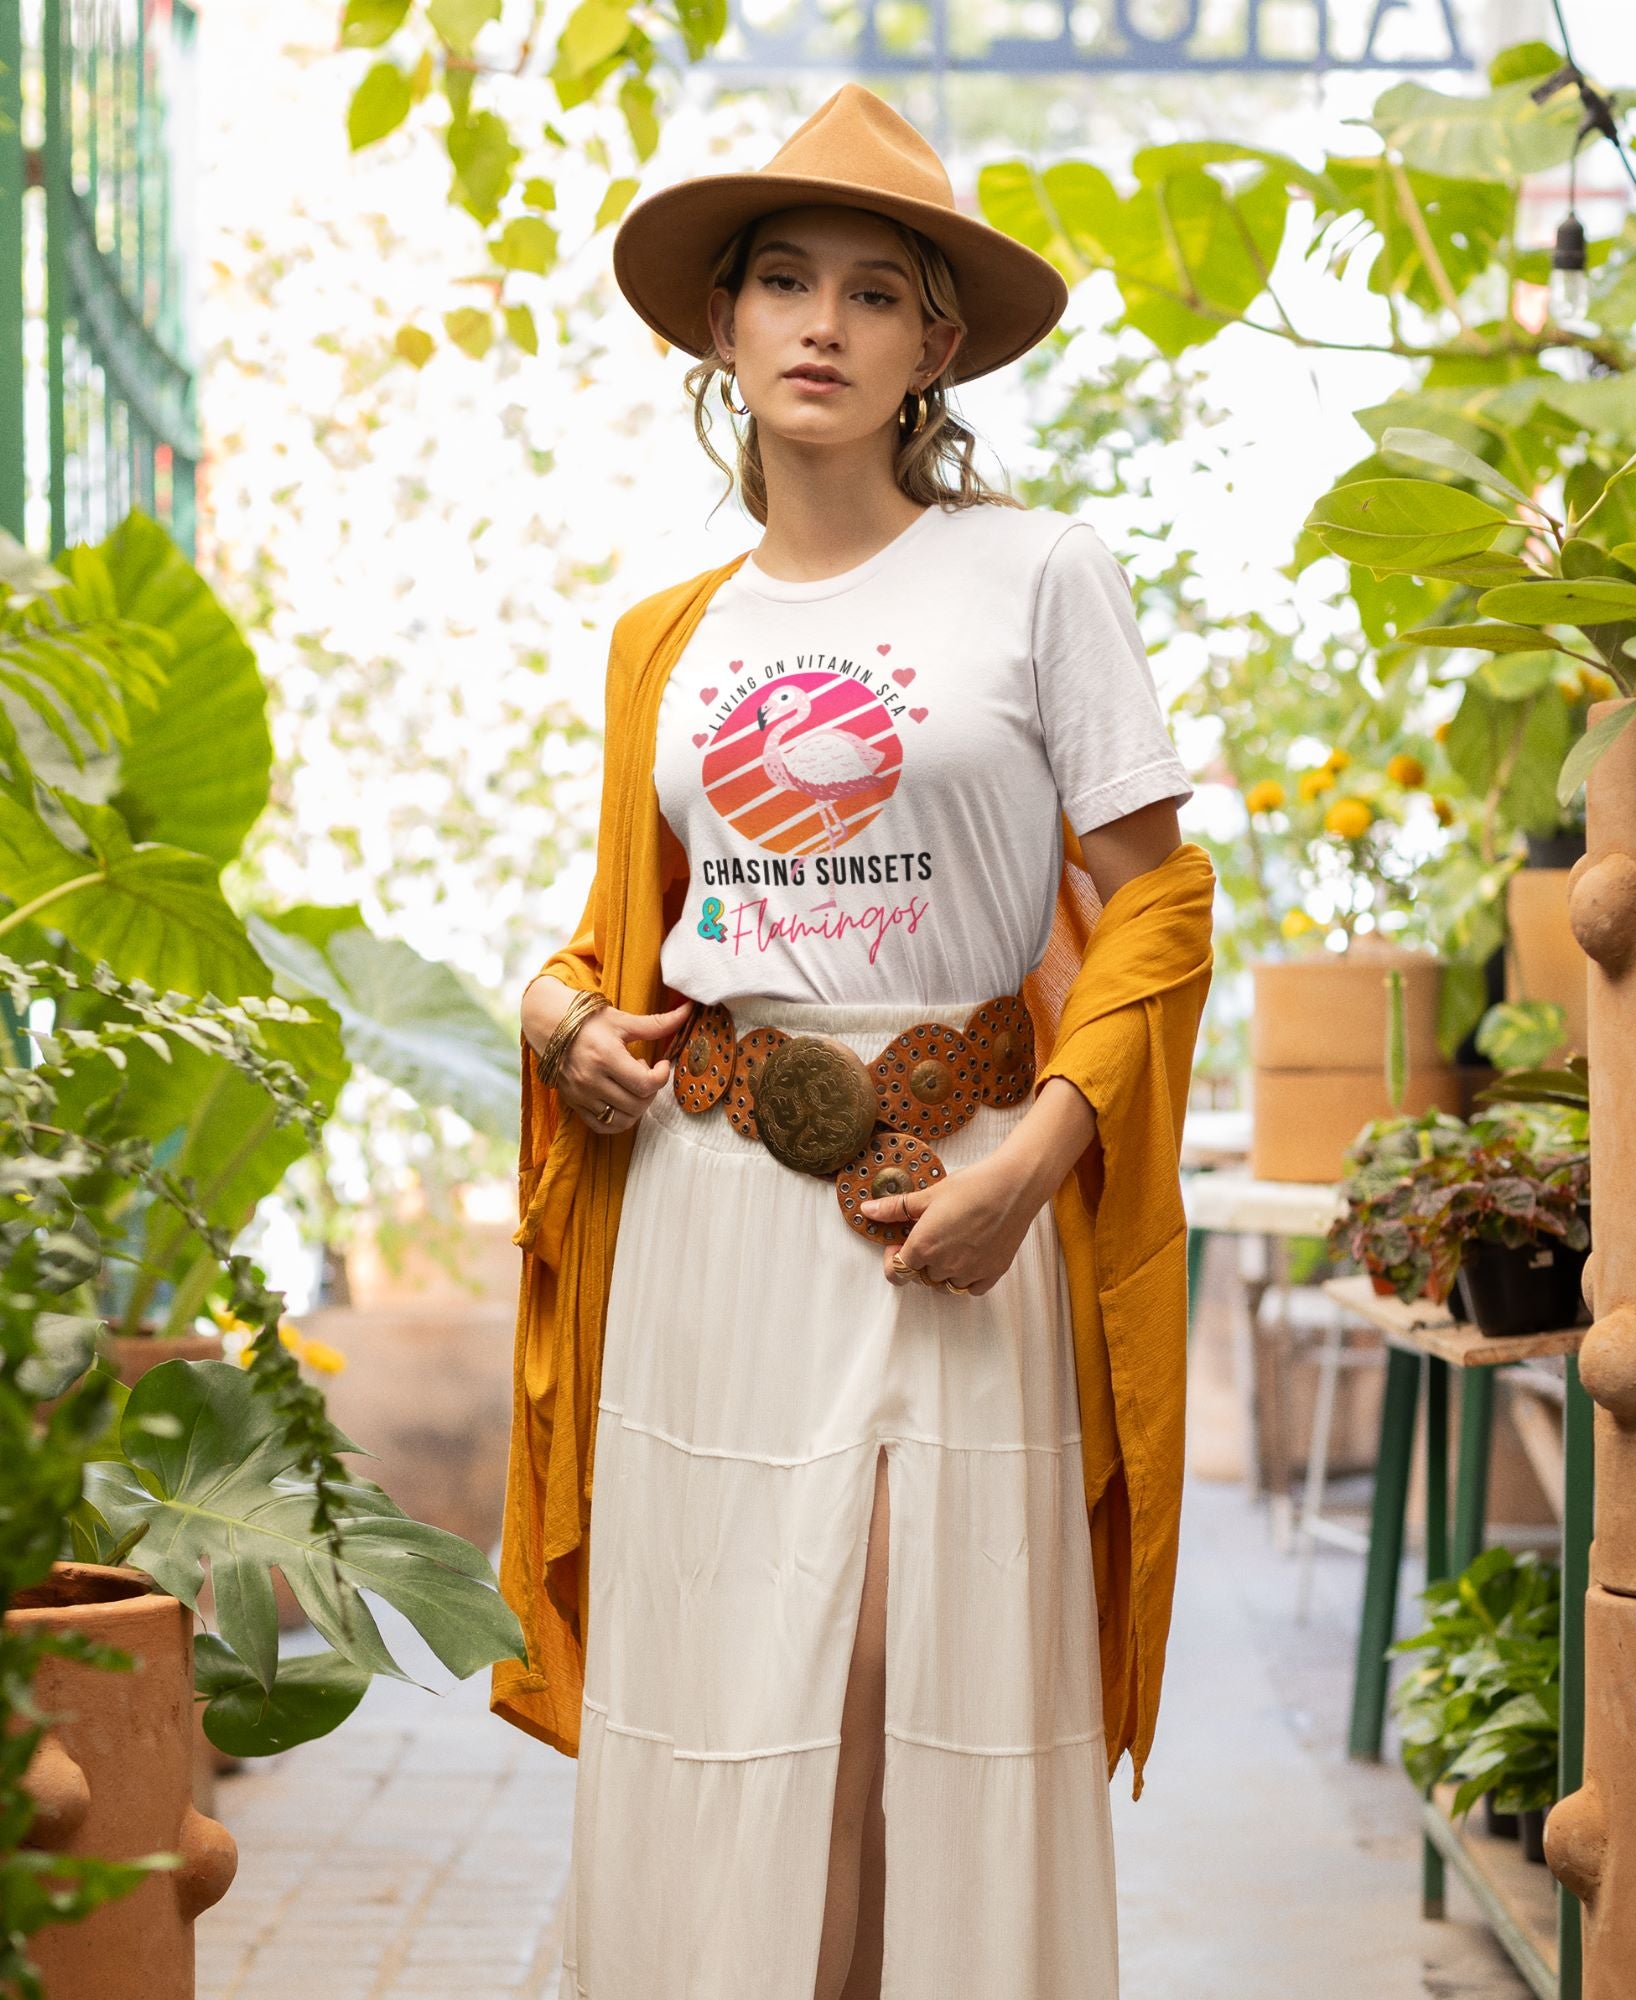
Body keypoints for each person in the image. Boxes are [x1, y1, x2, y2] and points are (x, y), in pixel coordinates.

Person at [503, 81, 1209, 1999]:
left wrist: (1031, 1167)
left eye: (873, 292)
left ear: (936, 342)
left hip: (949, 1206)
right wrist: (559, 1019)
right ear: (721, 333)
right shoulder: (667, 635)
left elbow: (1159, 895)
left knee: (904, 1699)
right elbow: (616, 940)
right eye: (781, 283)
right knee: (743, 1728)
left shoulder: (1039, 573)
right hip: (709, 1220)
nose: (821, 324)